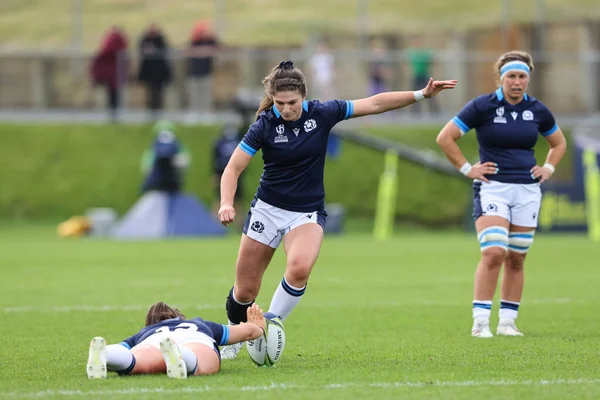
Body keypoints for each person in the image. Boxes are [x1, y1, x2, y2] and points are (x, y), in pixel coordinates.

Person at [217, 60, 457, 359]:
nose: (286, 109)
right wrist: (227, 202)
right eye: (280, 103)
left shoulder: (322, 113)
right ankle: (235, 332)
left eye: (292, 103)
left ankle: (268, 326)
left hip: (306, 212)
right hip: (266, 210)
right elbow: (233, 168)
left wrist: (421, 94)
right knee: (245, 290)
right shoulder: (264, 125)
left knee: (300, 268)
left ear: (304, 96)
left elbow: (374, 103)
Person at [435, 50, 567, 338]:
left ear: (528, 79)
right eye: (511, 76)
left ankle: (507, 322)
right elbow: (445, 137)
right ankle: (480, 322)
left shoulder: (538, 110)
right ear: (501, 78)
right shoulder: (482, 106)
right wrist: (467, 168)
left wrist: (548, 168)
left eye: (522, 76)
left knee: (517, 258)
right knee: (494, 252)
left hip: (528, 190)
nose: (517, 82)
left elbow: (558, 143)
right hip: (493, 187)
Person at [86, 302, 268, 379]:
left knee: (136, 362)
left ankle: (106, 354)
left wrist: (110, 360)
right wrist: (258, 326)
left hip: (153, 342)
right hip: (195, 339)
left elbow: (123, 347)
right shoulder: (199, 324)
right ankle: (182, 357)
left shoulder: (145, 332)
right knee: (201, 362)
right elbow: (245, 332)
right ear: (179, 317)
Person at [90, 26, 129, 123]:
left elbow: (105, 52)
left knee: (113, 94)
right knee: (114, 94)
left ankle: (113, 114)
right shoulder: (119, 40)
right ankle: (114, 114)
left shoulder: (113, 40)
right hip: (114, 74)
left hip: (113, 73)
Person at [141, 120, 191, 194]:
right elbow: (147, 168)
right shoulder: (152, 151)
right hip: (158, 188)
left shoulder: (179, 148)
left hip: (167, 188)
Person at [137, 23, 172, 119]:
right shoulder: (145, 39)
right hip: (149, 72)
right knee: (149, 93)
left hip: (159, 72)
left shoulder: (161, 40)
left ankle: (159, 111)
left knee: (159, 93)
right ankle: (150, 112)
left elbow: (164, 50)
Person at [186, 20, 219, 116]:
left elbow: (217, 48)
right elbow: (190, 51)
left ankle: (207, 111)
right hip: (194, 72)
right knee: (195, 94)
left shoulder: (210, 41)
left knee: (206, 94)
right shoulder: (194, 41)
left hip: (206, 72)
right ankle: (194, 112)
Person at [212, 123, 245, 222]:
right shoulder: (219, 143)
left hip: (237, 173)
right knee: (219, 198)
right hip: (221, 172)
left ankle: (240, 224)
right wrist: (215, 174)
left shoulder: (238, 141)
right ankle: (215, 224)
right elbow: (215, 159)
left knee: (238, 199)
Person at [406, 36, 439, 115]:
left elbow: (433, 60)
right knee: (414, 94)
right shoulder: (411, 53)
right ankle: (415, 113)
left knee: (430, 93)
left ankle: (435, 112)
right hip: (416, 76)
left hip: (425, 75)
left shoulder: (425, 52)